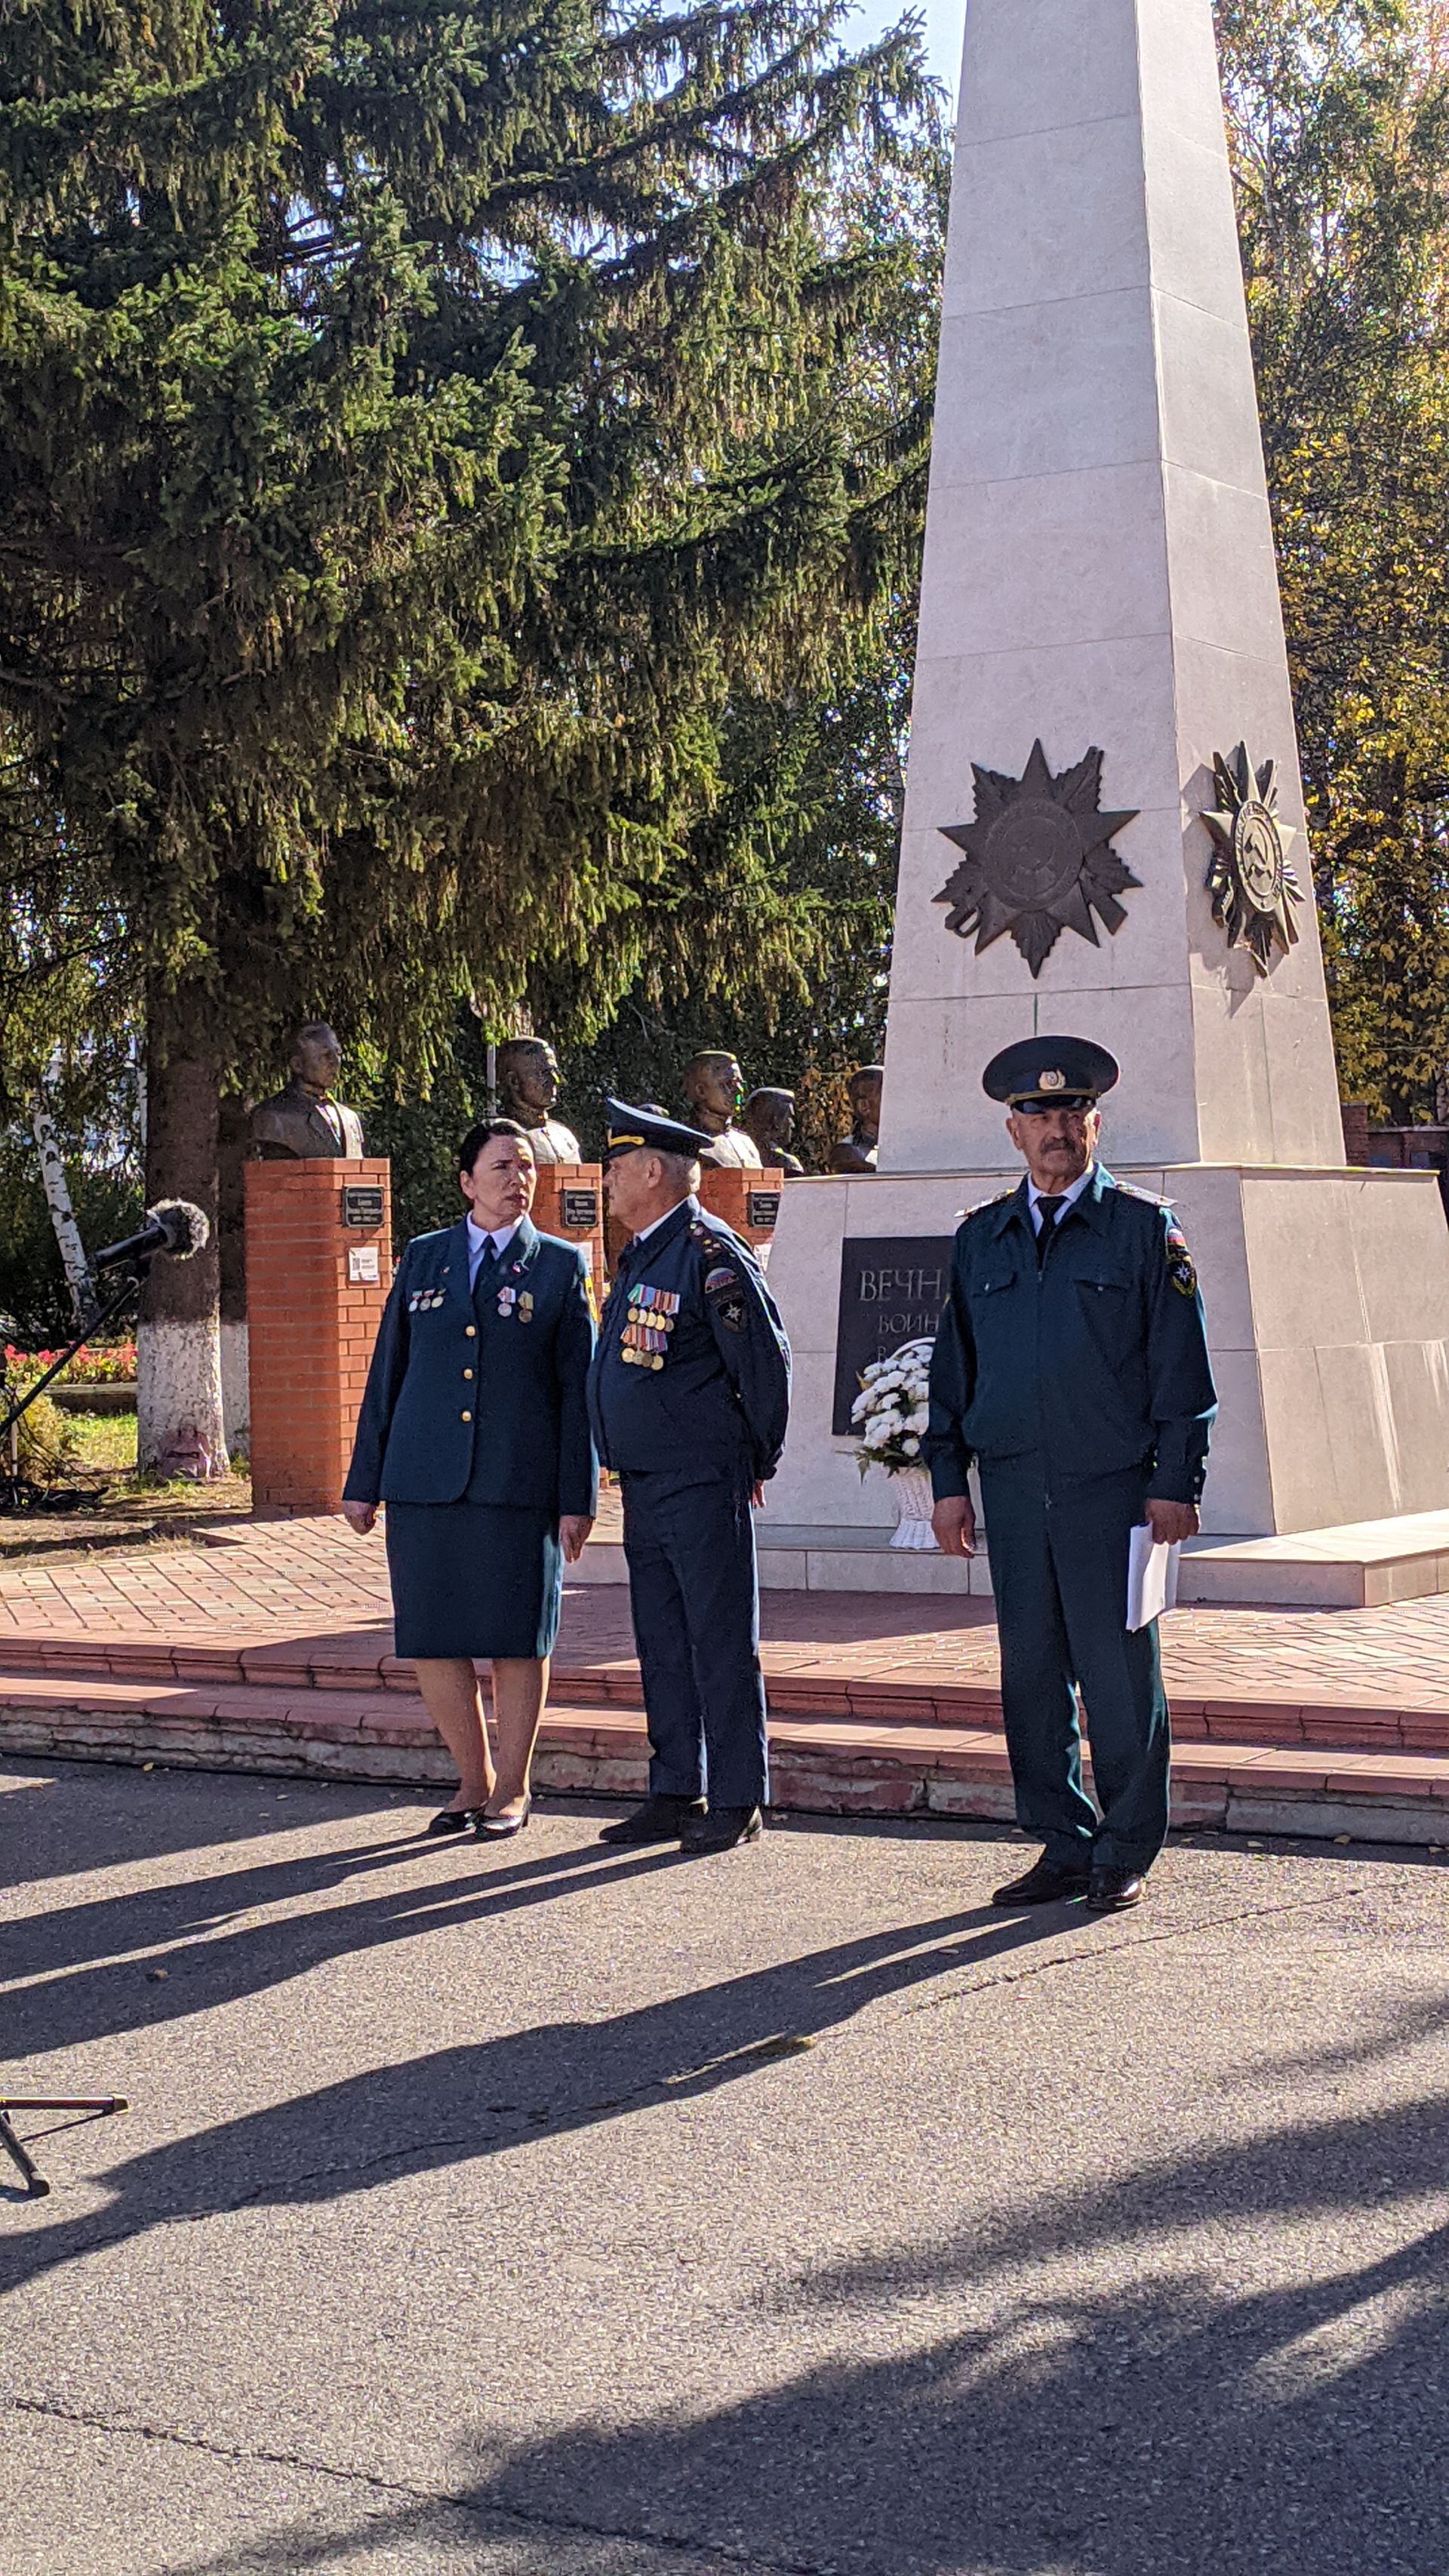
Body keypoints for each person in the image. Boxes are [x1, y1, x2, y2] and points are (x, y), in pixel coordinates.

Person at [925, 1038, 1217, 1913]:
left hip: (1114, 1491)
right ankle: (1063, 1839)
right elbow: (953, 1374)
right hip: (1014, 1491)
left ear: (1096, 1121)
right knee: (1032, 1673)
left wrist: (1178, 1480)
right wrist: (948, 1480)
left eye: (1070, 1113)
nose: (1056, 1129)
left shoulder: (1141, 1231)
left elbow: (1182, 1372)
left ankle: (1126, 1844)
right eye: (1038, 1115)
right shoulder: (982, 1237)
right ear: (1013, 1131)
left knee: (1120, 1676)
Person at [342, 1119, 596, 1838]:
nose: (517, 1178)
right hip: (424, 1482)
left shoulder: (558, 1265)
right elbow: (387, 1373)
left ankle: (513, 1786)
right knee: (434, 1635)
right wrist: (365, 1479)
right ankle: (472, 1778)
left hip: (517, 1484)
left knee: (518, 1637)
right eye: (501, 1166)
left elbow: (577, 1393)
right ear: (466, 1181)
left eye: (526, 1167)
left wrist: (578, 1496)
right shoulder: (424, 1259)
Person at [588, 1099, 791, 1854]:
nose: (604, 1181)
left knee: (718, 1639)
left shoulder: (710, 1253)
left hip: (702, 1477)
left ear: (651, 1170)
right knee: (663, 1641)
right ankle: (676, 1786)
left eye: (614, 1168)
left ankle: (737, 1795)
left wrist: (754, 1457)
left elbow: (766, 1365)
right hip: (644, 1479)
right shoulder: (643, 1252)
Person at [250, 1022, 366, 1159]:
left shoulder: (350, 1118)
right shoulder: (272, 1115)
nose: (335, 1062)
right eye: (325, 1056)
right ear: (297, 1065)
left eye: (338, 1053)